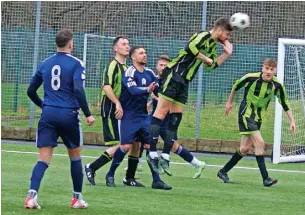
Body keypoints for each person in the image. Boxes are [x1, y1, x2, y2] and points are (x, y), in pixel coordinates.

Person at [148, 18, 233, 175]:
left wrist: (227, 54)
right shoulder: (203, 36)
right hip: (173, 74)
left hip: (184, 81)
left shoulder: (213, 45)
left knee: (176, 117)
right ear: (219, 30)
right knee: (160, 113)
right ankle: (152, 154)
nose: (228, 38)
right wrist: (205, 58)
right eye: (227, 34)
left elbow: (211, 66)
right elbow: (190, 47)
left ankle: (165, 156)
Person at [24, 29, 95, 209]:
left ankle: (31, 196)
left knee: (43, 159)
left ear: (56, 44)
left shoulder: (45, 63)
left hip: (48, 114)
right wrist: (88, 113)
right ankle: (76, 199)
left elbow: (30, 91)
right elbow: (78, 90)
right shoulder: (77, 63)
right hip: (69, 114)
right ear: (71, 44)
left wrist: (44, 105)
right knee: (75, 156)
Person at [217, 58, 296, 186]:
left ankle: (223, 171)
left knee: (245, 148)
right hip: (246, 114)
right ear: (262, 68)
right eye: (267, 68)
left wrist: (292, 120)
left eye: (272, 69)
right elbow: (236, 86)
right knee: (260, 142)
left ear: (275, 71)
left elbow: (285, 103)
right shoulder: (250, 78)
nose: (269, 72)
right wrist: (229, 102)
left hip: (258, 118)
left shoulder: (277, 85)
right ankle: (266, 178)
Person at [105, 46, 172, 190]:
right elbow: (133, 90)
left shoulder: (149, 73)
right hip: (128, 114)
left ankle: (156, 180)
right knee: (126, 146)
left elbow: (159, 88)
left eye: (145, 53)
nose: (144, 55)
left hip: (142, 115)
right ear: (133, 57)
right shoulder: (129, 72)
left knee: (149, 146)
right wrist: (147, 90)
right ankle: (110, 175)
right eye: (141, 53)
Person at [84, 35, 133, 185]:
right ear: (115, 48)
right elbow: (106, 86)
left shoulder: (127, 68)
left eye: (128, 43)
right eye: (123, 44)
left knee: (127, 143)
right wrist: (117, 103)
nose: (127, 46)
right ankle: (92, 167)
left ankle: (121, 175)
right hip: (110, 108)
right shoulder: (113, 65)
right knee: (120, 144)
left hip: (121, 110)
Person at [147, 55, 206, 178]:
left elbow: (168, 104)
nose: (163, 67)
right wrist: (149, 103)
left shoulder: (172, 82)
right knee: (144, 139)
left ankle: (198, 163)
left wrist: (156, 98)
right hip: (156, 119)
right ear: (156, 67)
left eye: (165, 65)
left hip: (168, 120)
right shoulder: (154, 81)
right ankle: (139, 165)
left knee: (174, 146)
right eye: (161, 65)